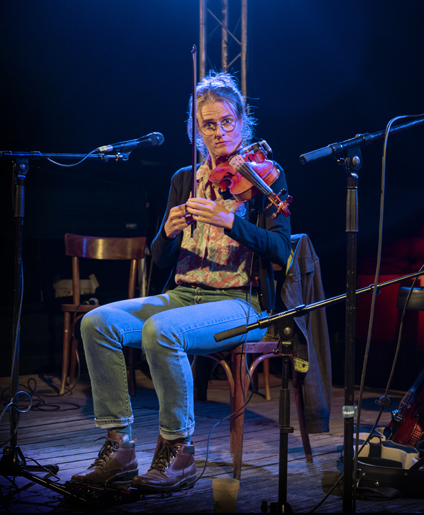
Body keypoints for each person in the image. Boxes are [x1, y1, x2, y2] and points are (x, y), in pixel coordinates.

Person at [71, 72, 291, 492]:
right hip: (183, 295)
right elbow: (160, 261)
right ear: (196, 131)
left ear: (243, 123)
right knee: (96, 323)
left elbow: (282, 250)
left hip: (241, 303)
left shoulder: (265, 178)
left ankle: (179, 451)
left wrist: (233, 223)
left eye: (227, 121)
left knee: (160, 332)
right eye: (209, 124)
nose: (220, 131)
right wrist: (166, 233)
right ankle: (118, 447)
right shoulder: (183, 179)